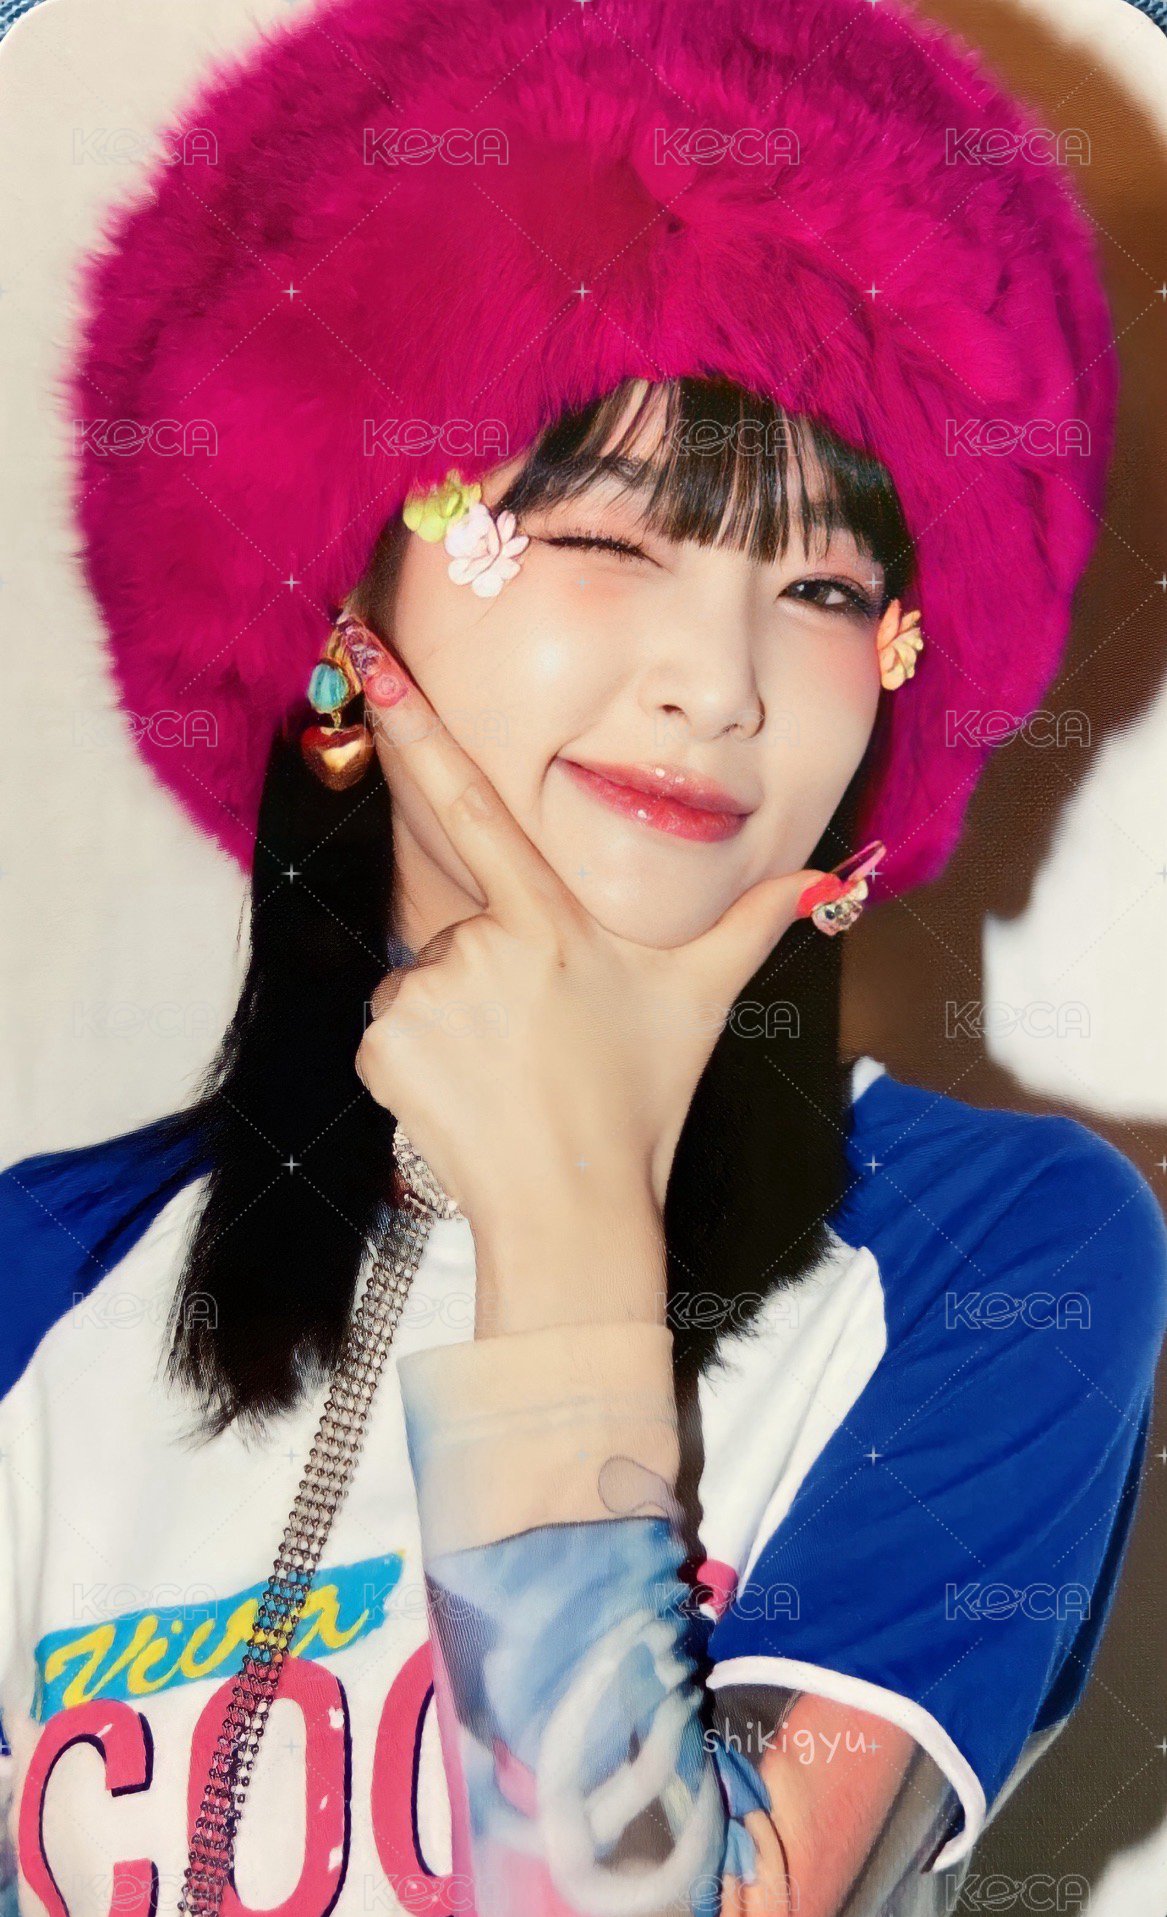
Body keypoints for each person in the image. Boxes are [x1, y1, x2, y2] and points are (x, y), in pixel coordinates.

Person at [2, 0, 1165, 1913]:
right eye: (611, 540)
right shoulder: (38, 1286)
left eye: (822, 584)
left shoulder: (1000, 1258)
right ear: (339, 602)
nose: (719, 682)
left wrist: (566, 1227)